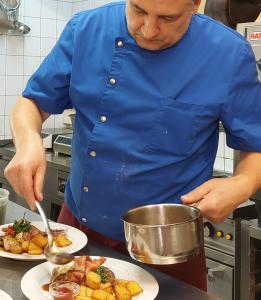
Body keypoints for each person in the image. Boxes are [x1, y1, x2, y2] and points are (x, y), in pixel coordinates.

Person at [4, 0, 261, 292]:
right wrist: (27, 141)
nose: (149, 30)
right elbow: (32, 102)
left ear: (195, 4)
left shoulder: (227, 53)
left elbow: (256, 144)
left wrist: (242, 184)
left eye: (167, 17)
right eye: (138, 10)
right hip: (78, 231)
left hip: (168, 249)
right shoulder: (86, 30)